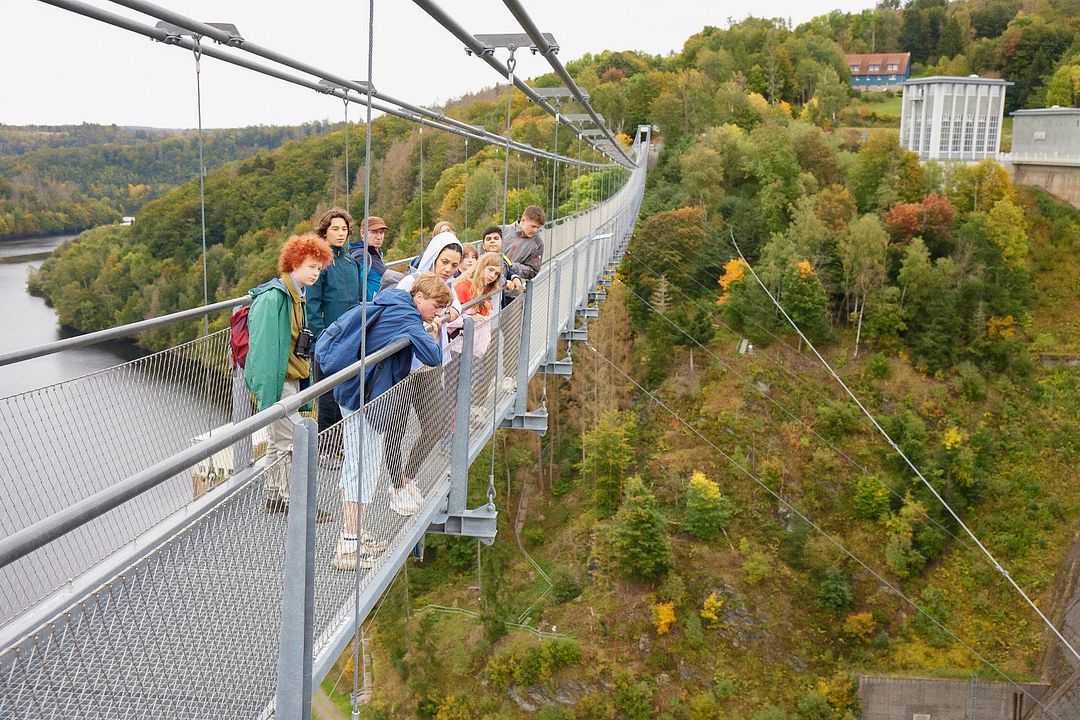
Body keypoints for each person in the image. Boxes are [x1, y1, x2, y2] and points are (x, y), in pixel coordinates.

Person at [329, 273, 451, 571]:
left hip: (355, 392)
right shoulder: (407, 318)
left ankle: (354, 535)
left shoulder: (393, 302)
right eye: (436, 306)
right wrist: (433, 332)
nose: (438, 313)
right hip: (363, 398)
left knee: (358, 465)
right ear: (419, 297)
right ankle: (348, 544)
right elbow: (434, 356)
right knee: (363, 469)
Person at [244, 233, 333, 514]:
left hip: (291, 377)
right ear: (294, 263)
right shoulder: (274, 298)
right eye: (311, 266)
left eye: (319, 268)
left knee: (277, 440)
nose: (316, 273)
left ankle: (273, 498)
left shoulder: (297, 296)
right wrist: (266, 394)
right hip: (278, 380)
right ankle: (297, 507)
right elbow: (262, 350)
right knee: (293, 441)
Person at [307, 208, 360, 453]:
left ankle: (341, 445)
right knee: (327, 397)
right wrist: (322, 338)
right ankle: (326, 448)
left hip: (351, 338)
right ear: (325, 232)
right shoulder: (320, 264)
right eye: (335, 228)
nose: (340, 233)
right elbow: (312, 305)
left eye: (344, 229)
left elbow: (358, 301)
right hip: (328, 341)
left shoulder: (351, 263)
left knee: (347, 392)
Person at [498, 205, 546, 306]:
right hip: (491, 289)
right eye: (533, 226)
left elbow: (532, 271)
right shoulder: (501, 231)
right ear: (523, 220)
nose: (536, 230)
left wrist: (511, 266)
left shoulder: (537, 244)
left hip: (512, 293)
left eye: (538, 228)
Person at [347, 216, 387, 302]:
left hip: (379, 303)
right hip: (370, 306)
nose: (379, 237)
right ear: (362, 233)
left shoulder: (376, 252)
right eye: (374, 232)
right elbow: (355, 289)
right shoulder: (361, 256)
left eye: (381, 232)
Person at [481, 224, 522, 294]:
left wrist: (514, 277)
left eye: (496, 238)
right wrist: (505, 282)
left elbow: (508, 271)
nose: (492, 241)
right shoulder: (481, 261)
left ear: (502, 243)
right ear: (483, 246)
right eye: (488, 239)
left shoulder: (504, 259)